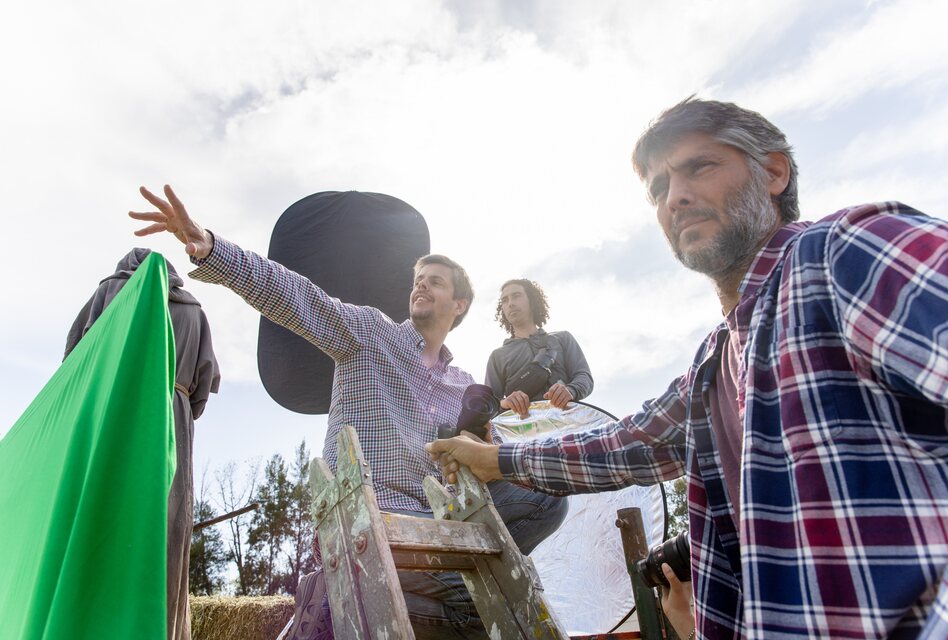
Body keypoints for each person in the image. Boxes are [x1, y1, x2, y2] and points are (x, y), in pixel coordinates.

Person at [427, 97, 948, 638]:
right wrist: (494, 459)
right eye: (658, 189)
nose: (675, 197)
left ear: (773, 172)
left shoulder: (844, 254)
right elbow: (622, 446)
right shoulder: (712, 364)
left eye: (698, 168)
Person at [128, 188, 566, 639]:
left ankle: (442, 597)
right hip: (364, 519)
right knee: (471, 603)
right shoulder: (370, 333)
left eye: (435, 281)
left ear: (458, 306)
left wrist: (489, 444)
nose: (420, 284)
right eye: (418, 277)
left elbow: (469, 468)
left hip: (435, 524)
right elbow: (295, 295)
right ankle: (446, 601)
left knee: (547, 495)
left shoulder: (462, 384)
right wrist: (211, 248)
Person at [64, 247, 221, 640]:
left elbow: (74, 363)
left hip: (115, 416)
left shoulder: (110, 294)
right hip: (173, 423)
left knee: (104, 519)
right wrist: (177, 404)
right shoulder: (193, 310)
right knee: (167, 531)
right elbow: (203, 387)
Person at [485, 278, 593, 418]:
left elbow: (584, 376)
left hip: (569, 425)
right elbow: (488, 404)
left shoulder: (562, 339)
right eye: (505, 300)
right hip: (525, 433)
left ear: (531, 300)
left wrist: (571, 390)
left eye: (516, 296)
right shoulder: (497, 356)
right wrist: (505, 403)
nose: (510, 303)